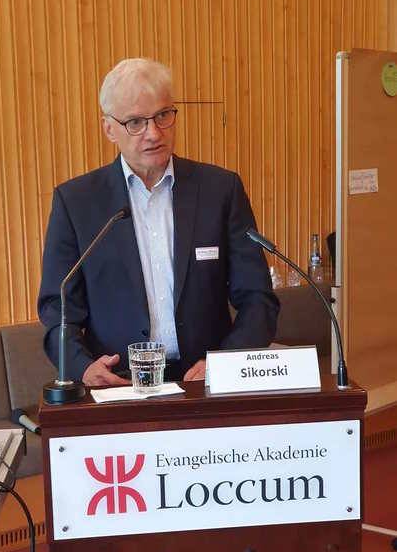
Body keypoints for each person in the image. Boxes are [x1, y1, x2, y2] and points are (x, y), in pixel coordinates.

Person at [38, 58, 279, 387]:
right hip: (119, 385)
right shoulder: (77, 202)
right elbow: (58, 308)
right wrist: (82, 367)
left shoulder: (220, 190)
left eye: (163, 116)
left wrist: (227, 363)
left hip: (207, 382)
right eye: (136, 122)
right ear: (109, 129)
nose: (153, 133)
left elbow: (258, 298)